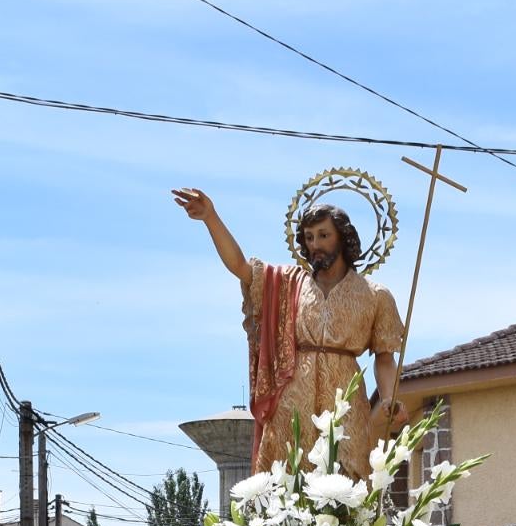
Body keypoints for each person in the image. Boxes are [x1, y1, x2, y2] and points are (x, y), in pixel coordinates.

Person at [172, 187, 407, 477]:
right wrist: (211, 217)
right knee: (286, 476)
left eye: (323, 235)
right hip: (294, 396)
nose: (315, 245)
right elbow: (241, 267)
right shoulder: (288, 283)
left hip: (345, 398)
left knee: (349, 477)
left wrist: (388, 397)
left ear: (343, 238)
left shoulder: (375, 295)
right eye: (309, 238)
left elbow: (384, 357)